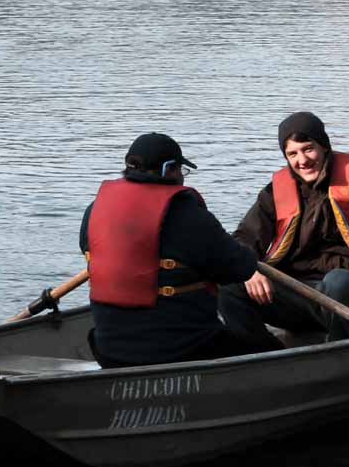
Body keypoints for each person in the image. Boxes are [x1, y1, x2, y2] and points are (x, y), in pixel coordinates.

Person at [219, 83, 349, 348]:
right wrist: (248, 271)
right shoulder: (276, 192)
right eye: (292, 153)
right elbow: (244, 238)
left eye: (308, 149)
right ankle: (264, 355)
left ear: (324, 146)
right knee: (230, 286)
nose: (302, 160)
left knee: (337, 281)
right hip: (297, 297)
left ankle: (341, 356)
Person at [81, 132, 265, 368]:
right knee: (261, 350)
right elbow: (239, 268)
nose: (182, 177)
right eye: (180, 170)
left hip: (108, 351)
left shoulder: (93, 210)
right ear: (168, 169)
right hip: (184, 350)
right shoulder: (186, 215)